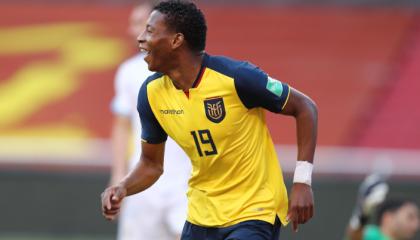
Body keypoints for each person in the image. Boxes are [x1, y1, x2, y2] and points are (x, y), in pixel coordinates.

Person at [102, 1, 318, 239]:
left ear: (176, 40)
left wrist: (302, 182)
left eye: (150, 31)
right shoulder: (151, 93)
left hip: (254, 210)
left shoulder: (237, 77)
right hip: (201, 216)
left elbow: (305, 107)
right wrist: (123, 187)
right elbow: (151, 164)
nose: (141, 38)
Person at [109, 1, 190, 239]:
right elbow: (122, 126)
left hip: (188, 183)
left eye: (140, 24)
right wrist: (119, 176)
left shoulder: (193, 71)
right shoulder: (128, 72)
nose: (133, 32)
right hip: (143, 182)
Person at [346, 175, 419, 240]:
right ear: (388, 218)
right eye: (410, 217)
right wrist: (363, 215)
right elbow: (355, 236)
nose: (416, 225)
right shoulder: (372, 235)